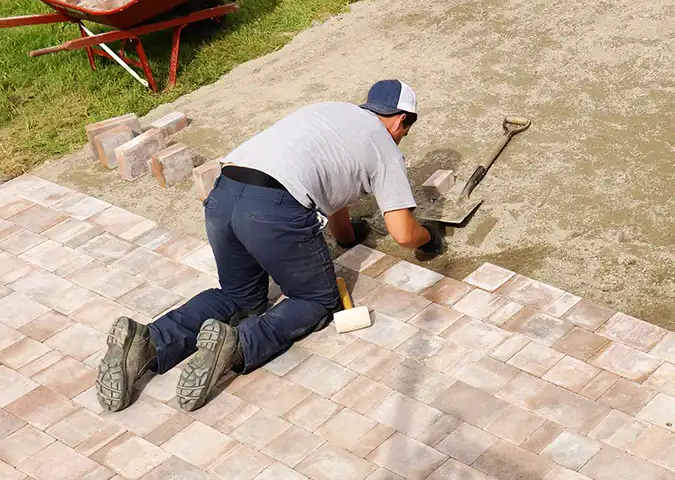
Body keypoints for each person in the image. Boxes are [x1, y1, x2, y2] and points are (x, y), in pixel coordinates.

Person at [95, 79, 443, 412]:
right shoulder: (384, 147)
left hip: (224, 192)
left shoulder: (331, 113)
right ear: (400, 119)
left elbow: (332, 191)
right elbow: (403, 234)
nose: (401, 138)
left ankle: (149, 340)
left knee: (238, 296)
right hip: (272, 209)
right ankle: (238, 344)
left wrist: (348, 236)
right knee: (316, 298)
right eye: (404, 131)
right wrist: (429, 237)